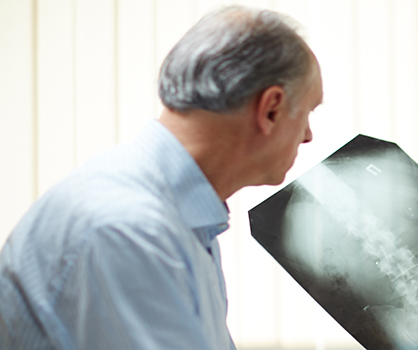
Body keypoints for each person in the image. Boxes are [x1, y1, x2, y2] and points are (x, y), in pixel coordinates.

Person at [0, 6, 322, 349]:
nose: (308, 135)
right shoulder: (127, 228)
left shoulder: (183, 219)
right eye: (307, 112)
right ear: (270, 108)